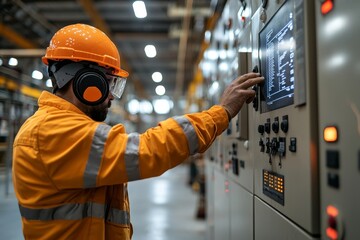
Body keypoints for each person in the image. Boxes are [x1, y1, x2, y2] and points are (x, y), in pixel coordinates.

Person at [12, 23, 263, 240]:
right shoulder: (52, 131)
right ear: (87, 81)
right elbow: (146, 151)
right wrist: (222, 112)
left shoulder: (58, 126)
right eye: (109, 83)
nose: (111, 96)